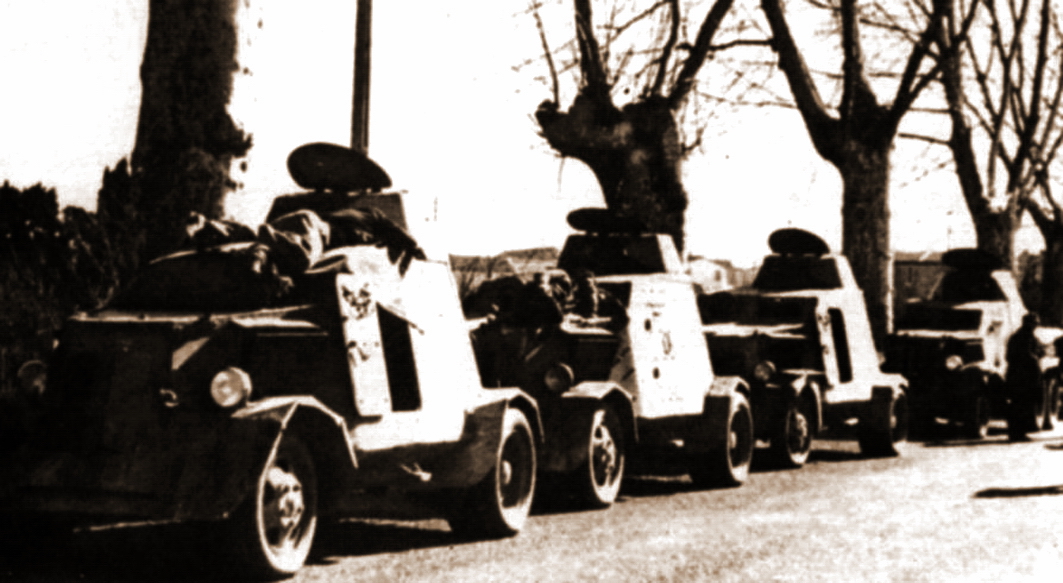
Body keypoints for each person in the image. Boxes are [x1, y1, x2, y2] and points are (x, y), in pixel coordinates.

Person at [1005, 313, 1045, 441]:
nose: (1035, 326)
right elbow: (1026, 355)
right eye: (1035, 323)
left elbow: (1041, 351)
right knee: (1020, 405)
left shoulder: (1024, 337)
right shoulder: (1022, 337)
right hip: (1022, 377)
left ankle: (1018, 432)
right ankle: (1017, 434)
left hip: (1020, 376)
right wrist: (1035, 360)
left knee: (1022, 405)